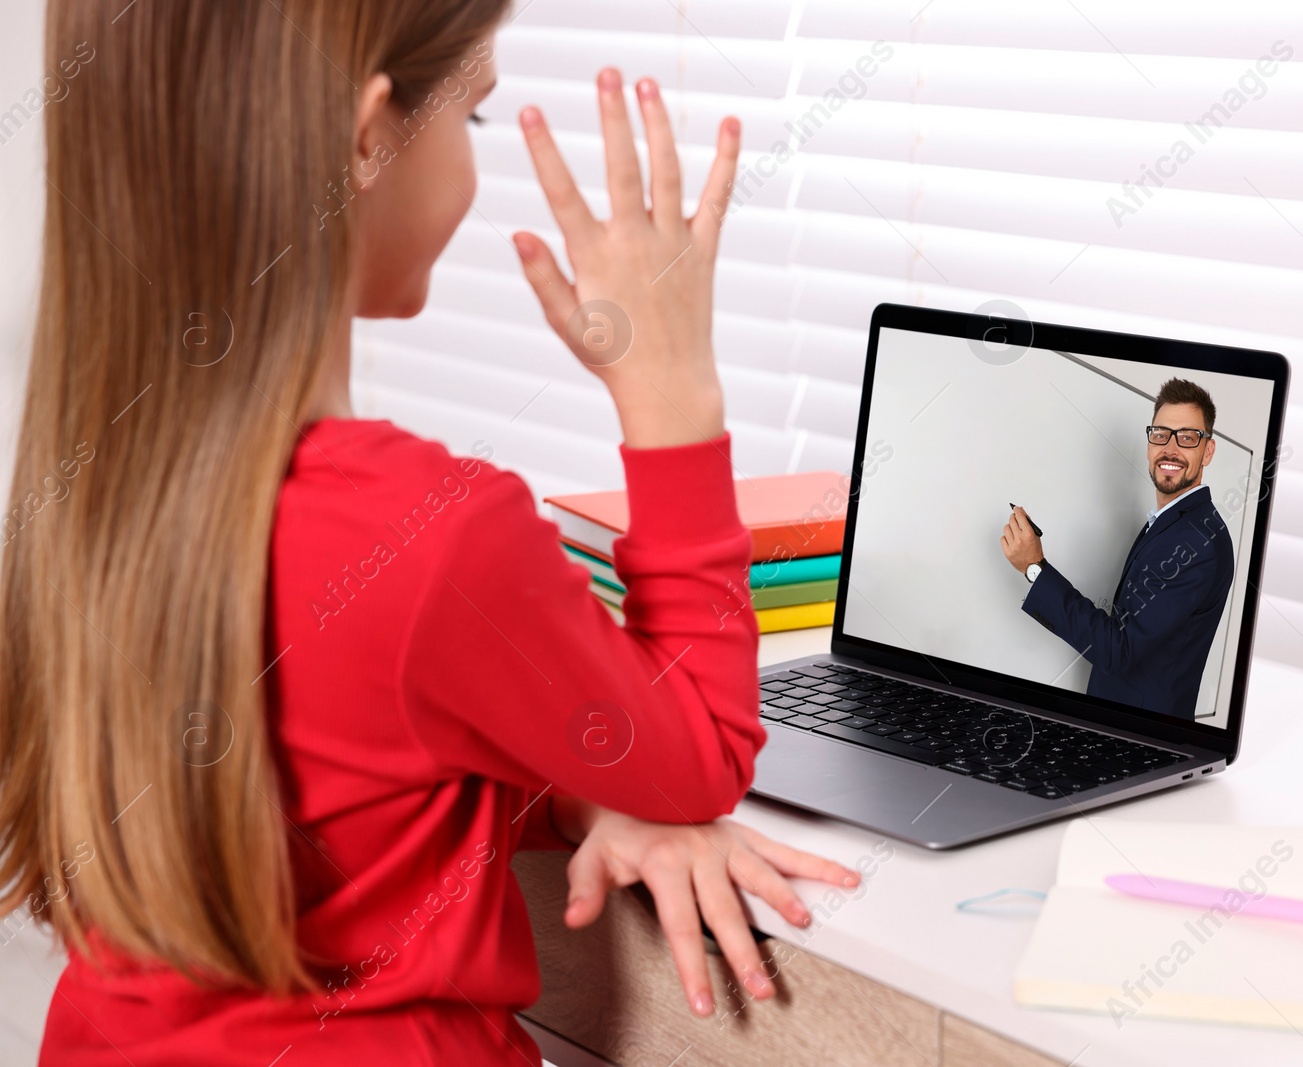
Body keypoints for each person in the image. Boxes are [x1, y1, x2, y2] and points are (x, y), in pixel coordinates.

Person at [0, 2, 858, 1063]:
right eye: (478, 119)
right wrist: (671, 394)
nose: (473, 161)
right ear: (367, 138)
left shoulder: (91, 490)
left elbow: (347, 767)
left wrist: (585, 795)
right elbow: (699, 755)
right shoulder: (426, 530)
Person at [1001, 379, 1235, 719]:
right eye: (1161, 434)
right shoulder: (1173, 523)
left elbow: (1118, 649)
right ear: (1149, 444)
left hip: (1140, 735)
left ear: (1208, 451)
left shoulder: (1196, 541)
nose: (1171, 449)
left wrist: (1034, 567)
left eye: (1187, 437)